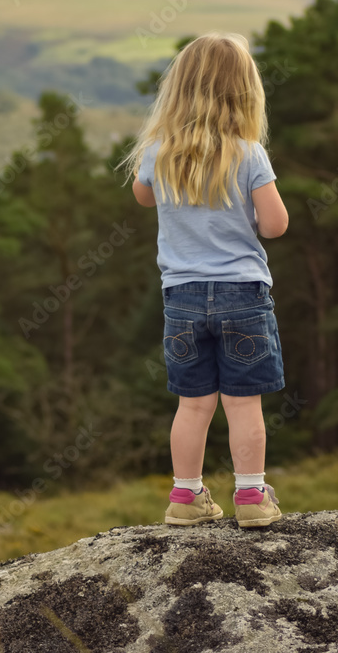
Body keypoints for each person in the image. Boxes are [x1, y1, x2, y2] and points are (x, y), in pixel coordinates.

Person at [119, 31, 288, 528]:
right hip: (243, 294)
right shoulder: (249, 153)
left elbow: (143, 197)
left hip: (183, 298)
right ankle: (252, 498)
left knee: (192, 406)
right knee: (243, 404)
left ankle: (185, 497)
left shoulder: (158, 152)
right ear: (244, 91)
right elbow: (275, 225)